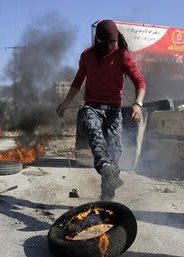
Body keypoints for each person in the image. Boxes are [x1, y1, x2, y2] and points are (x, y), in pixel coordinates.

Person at [56, 20, 146, 201]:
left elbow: (140, 82)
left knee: (115, 151)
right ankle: (103, 164)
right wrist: (66, 103)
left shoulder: (122, 55)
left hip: (113, 110)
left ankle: (107, 195)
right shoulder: (87, 56)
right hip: (92, 107)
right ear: (97, 41)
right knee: (94, 134)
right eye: (106, 44)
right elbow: (77, 81)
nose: (110, 47)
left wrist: (138, 103)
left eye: (112, 43)